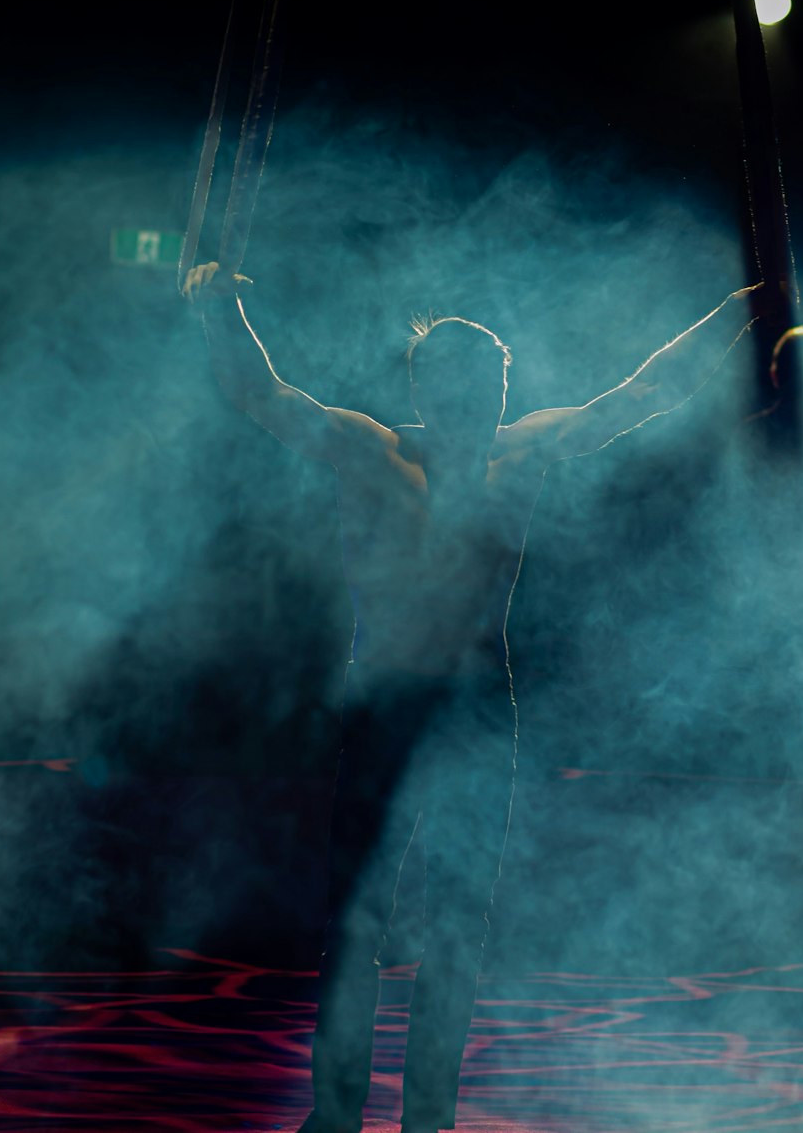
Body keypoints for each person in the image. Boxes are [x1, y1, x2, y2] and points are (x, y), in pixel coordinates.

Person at [184, 261, 757, 1133]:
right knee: (358, 925)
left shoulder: (524, 451)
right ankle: (335, 1113)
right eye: (464, 383)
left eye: (493, 382)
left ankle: (430, 1119)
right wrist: (218, 307)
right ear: (425, 385)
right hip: (385, 712)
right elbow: (260, 393)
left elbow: (643, 394)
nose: (482, 399)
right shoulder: (371, 448)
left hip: (482, 715)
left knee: (456, 931)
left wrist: (731, 315)